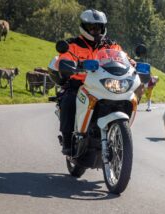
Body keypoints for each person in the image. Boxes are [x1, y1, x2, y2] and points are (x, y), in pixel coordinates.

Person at [56, 9, 136, 155]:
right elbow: (63, 58)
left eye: (98, 27)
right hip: (80, 84)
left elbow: (124, 57)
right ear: (84, 27)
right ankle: (67, 139)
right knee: (68, 100)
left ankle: (121, 134)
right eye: (92, 27)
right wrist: (68, 65)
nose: (95, 31)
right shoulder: (73, 44)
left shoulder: (111, 45)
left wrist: (132, 63)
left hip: (104, 84)